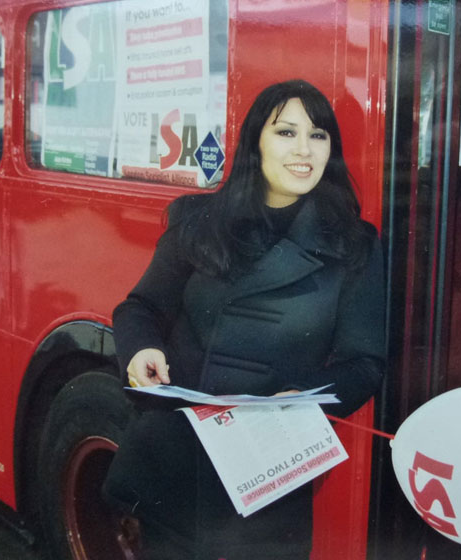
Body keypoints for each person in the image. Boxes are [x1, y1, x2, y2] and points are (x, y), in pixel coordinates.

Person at [102, 79, 386, 560]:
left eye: (318, 136)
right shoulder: (198, 219)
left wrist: (307, 400)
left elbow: (364, 364)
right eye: (286, 132)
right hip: (175, 457)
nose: (304, 150)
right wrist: (141, 350)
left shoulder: (354, 243)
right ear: (255, 141)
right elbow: (140, 308)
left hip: (264, 474)